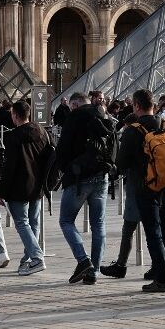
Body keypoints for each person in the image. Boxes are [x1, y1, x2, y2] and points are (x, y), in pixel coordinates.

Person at [116, 90, 165, 293]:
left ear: (137, 106)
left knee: (153, 232)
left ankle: (162, 279)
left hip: (145, 186)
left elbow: (121, 162)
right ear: (154, 105)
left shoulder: (133, 129)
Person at [55, 92, 116, 285]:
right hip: (102, 175)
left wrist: (66, 170)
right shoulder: (104, 115)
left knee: (66, 220)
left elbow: (62, 149)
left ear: (74, 105)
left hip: (79, 178)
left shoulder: (74, 117)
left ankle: (83, 260)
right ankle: (94, 271)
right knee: (98, 224)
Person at [0, 100, 53, 276]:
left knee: (22, 223)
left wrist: (1, 191)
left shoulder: (14, 136)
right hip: (37, 185)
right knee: (33, 222)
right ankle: (29, 258)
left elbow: (9, 167)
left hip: (19, 186)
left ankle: (36, 258)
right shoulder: (42, 132)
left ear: (15, 115)